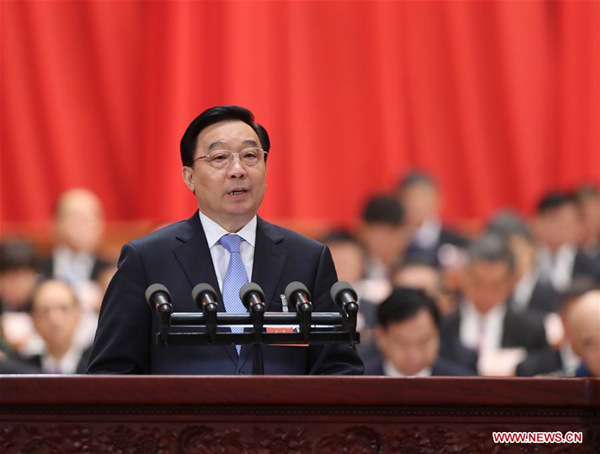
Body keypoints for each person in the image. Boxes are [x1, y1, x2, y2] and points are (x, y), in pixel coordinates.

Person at [88, 105, 364, 375]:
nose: (237, 170)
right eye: (220, 158)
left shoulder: (308, 259)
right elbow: (112, 372)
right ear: (189, 177)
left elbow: (338, 369)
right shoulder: (147, 259)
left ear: (266, 168)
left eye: (250, 156)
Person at [439, 235, 548, 375]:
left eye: (496, 286)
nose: (485, 293)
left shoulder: (532, 329)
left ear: (510, 283)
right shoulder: (443, 326)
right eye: (477, 283)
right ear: (464, 277)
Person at [364, 287, 472, 376]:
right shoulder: (358, 382)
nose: (414, 356)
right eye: (402, 344)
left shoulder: (462, 383)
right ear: (381, 337)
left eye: (424, 342)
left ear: (438, 333)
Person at [396, 171, 469, 269]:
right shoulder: (392, 240)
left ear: (438, 199)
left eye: (423, 197)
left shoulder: (457, 239)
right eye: (409, 198)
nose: (415, 204)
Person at [24, 279, 92, 374]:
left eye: (63, 309)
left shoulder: (95, 369)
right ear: (33, 320)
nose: (54, 320)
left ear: (78, 316)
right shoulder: (22, 371)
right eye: (45, 311)